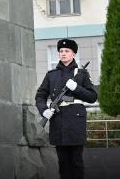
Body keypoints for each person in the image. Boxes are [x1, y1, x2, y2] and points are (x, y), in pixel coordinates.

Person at [35, 39, 97, 179]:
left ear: (73, 54)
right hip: (58, 120)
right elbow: (40, 95)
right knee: (62, 162)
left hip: (75, 120)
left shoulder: (81, 74)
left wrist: (77, 88)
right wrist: (44, 110)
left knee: (76, 162)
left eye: (67, 51)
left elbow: (92, 96)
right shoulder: (51, 75)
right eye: (61, 51)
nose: (63, 54)